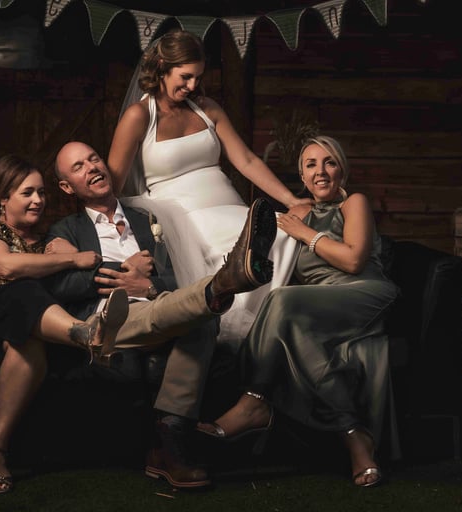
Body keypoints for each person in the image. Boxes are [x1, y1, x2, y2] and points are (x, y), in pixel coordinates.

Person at [44, 140, 278, 489]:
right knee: (201, 310)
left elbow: (177, 277)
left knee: (198, 316)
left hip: (161, 307)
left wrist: (149, 285)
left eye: (93, 158)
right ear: (67, 187)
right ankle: (223, 282)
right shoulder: (65, 231)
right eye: (78, 167)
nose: (92, 167)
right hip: (109, 323)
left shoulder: (147, 220)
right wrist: (123, 271)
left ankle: (169, 441)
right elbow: (61, 285)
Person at [197, 136, 400, 488]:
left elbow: (354, 261)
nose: (321, 171)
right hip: (318, 306)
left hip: (363, 292)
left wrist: (305, 233)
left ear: (342, 170)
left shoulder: (353, 203)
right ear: (302, 178)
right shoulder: (294, 216)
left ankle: (254, 401)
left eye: (329, 162)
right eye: (311, 165)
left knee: (283, 301)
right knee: (296, 332)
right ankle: (356, 437)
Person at [0, 154, 131, 494]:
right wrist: (69, 258)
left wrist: (73, 254)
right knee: (21, 290)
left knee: (26, 339)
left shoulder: (50, 240)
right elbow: (6, 267)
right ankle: (85, 333)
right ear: (3, 199)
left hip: (14, 330)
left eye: (41, 192)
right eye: (27, 193)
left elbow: (90, 263)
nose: (38, 200)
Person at [107, 28, 313, 348]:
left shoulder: (207, 108)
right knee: (239, 245)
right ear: (162, 67)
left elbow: (246, 160)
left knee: (281, 230)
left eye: (197, 77)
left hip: (230, 206)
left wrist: (291, 200)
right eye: (185, 76)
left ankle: (268, 329)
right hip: (182, 215)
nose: (192, 85)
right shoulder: (139, 116)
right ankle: (242, 335)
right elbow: (112, 186)